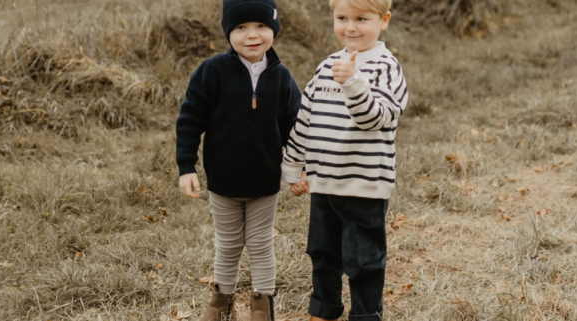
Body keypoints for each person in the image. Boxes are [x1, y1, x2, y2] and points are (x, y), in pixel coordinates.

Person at [282, 0, 408, 319]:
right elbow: (306, 118)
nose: (350, 27)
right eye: (342, 18)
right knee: (322, 254)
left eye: (361, 19)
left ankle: (365, 315)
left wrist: (353, 83)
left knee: (363, 260)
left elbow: (375, 118)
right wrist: (294, 166)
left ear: (384, 20)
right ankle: (322, 310)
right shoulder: (328, 65)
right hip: (324, 182)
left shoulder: (386, 66)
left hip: (364, 184)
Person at [175, 0, 301, 319]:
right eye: (241, 27)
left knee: (260, 244)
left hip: (264, 183)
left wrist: (302, 167)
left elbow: (296, 128)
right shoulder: (211, 71)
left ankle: (262, 304)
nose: (252, 35)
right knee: (228, 244)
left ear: (273, 28)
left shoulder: (282, 77)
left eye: (261, 26)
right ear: (228, 32)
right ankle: (221, 302)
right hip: (223, 182)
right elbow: (190, 120)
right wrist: (186, 166)